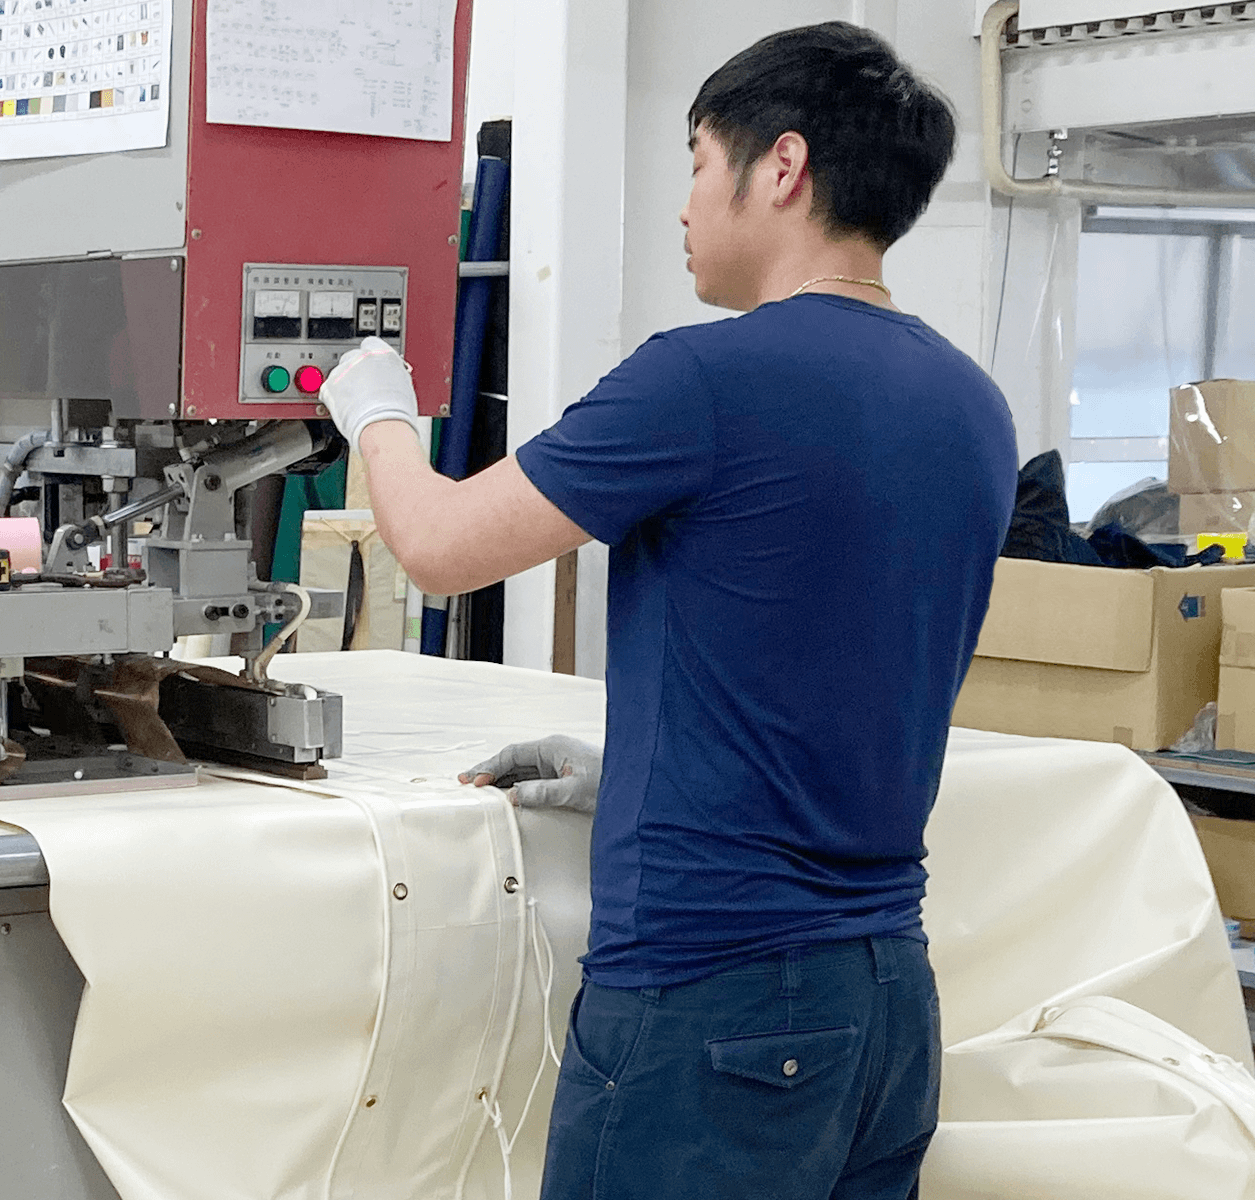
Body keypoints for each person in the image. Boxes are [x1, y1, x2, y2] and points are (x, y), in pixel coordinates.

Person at [319, 20, 1018, 1200]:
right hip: (886, 1005)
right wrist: (637, 769)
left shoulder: (702, 378)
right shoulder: (970, 402)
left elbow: (437, 549)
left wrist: (378, 411)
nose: (684, 204)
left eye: (697, 161)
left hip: (713, 1005)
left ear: (781, 166)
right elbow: (833, 661)